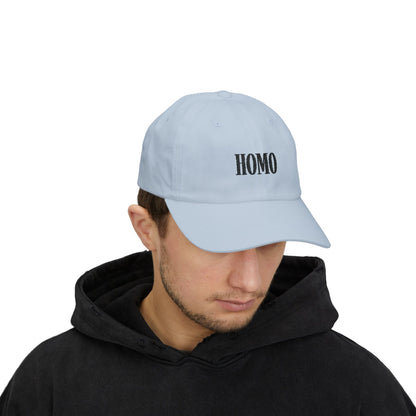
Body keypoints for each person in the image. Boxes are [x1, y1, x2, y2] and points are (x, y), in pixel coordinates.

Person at [0, 90, 414, 415]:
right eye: (218, 242)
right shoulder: (51, 384)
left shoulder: (354, 387)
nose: (249, 281)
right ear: (147, 228)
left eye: (270, 241)